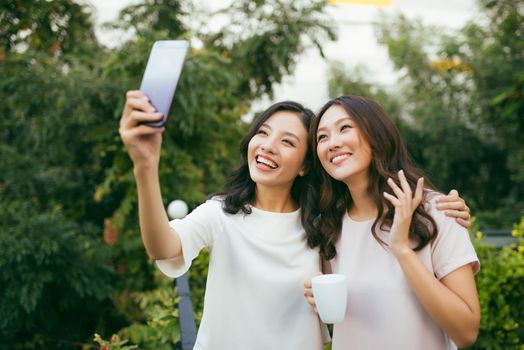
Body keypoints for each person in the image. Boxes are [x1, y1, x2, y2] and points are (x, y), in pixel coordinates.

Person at [119, 90, 472, 349]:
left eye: (288, 141)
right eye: (262, 133)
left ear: (305, 166)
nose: (268, 146)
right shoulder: (228, 213)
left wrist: (440, 213)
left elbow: (463, 328)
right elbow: (162, 247)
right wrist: (145, 168)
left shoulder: (323, 224)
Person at [303, 95, 480, 350]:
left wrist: (402, 250)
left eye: (345, 128)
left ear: (376, 134)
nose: (333, 143)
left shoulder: (436, 211)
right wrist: (316, 298)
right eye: (322, 137)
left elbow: (466, 332)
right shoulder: (328, 226)